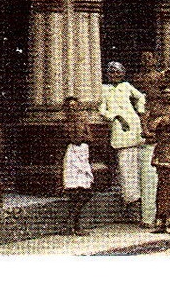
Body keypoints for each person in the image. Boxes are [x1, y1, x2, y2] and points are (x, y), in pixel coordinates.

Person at [98, 61, 147, 221]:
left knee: (137, 166)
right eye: (112, 72)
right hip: (118, 128)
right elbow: (102, 110)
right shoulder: (104, 89)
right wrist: (116, 117)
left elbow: (141, 97)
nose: (115, 75)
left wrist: (139, 113)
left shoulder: (127, 86)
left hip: (133, 125)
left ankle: (138, 204)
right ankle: (131, 202)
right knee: (125, 166)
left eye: (118, 72)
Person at [61, 96, 94, 235]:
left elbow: (90, 137)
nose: (72, 110)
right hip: (71, 156)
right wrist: (77, 138)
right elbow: (68, 139)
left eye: (74, 107)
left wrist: (81, 138)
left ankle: (72, 222)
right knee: (74, 191)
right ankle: (73, 225)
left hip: (82, 154)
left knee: (86, 191)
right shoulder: (63, 123)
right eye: (69, 108)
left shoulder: (83, 122)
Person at [150, 117, 170, 234]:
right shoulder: (158, 147)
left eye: (168, 134)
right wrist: (166, 165)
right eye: (163, 135)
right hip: (162, 177)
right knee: (161, 201)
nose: (166, 137)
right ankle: (162, 224)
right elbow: (153, 162)